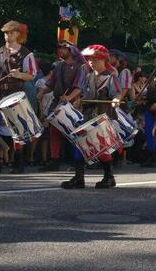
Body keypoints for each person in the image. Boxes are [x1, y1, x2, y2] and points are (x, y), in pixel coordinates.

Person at [61, 44, 120, 189]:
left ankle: (109, 177)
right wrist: (78, 100)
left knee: (101, 147)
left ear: (103, 60)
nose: (91, 62)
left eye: (95, 59)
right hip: (87, 114)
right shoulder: (88, 76)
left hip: (102, 115)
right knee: (80, 144)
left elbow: (117, 93)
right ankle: (79, 178)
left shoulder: (110, 77)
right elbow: (83, 93)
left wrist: (115, 100)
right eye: (89, 60)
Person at [0, 21, 38, 174]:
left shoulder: (27, 54)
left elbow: (32, 75)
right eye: (6, 32)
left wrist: (19, 74)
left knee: (17, 127)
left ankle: (18, 163)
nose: (8, 35)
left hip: (15, 94)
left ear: (18, 34)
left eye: (12, 32)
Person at [37, 41, 83, 171]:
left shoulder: (80, 67)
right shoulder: (58, 66)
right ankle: (54, 160)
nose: (60, 50)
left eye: (64, 48)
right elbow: (51, 84)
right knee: (54, 132)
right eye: (59, 48)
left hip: (72, 103)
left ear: (71, 50)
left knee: (73, 132)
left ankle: (77, 161)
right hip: (57, 102)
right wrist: (42, 91)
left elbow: (79, 87)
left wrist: (69, 97)